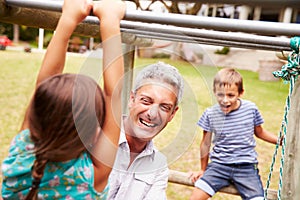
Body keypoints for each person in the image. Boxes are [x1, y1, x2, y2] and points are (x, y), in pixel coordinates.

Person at [1, 0, 125, 199]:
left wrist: (68, 19)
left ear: (36, 117)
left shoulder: (22, 153)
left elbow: (44, 84)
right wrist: (110, 21)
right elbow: (114, 95)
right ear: (90, 132)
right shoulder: (91, 175)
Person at [189, 68, 280, 200]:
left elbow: (260, 132)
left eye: (230, 95)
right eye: (220, 95)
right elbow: (205, 143)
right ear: (214, 92)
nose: (225, 100)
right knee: (195, 198)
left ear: (240, 93)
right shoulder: (210, 114)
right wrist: (203, 170)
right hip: (218, 167)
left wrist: (281, 141)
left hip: (246, 167)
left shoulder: (251, 109)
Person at [107, 61, 184, 200]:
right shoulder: (98, 137)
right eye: (146, 101)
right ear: (132, 99)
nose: (152, 114)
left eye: (164, 107)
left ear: (172, 114)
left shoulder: (158, 167)